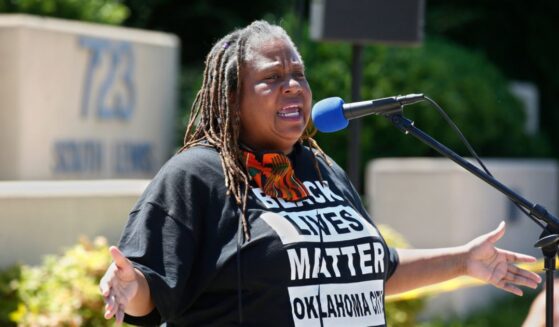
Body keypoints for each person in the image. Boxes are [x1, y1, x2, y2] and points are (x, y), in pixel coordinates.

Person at [99, 20, 541, 326]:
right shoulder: (197, 175)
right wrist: (128, 285)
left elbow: (373, 273)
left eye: (298, 75)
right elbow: (151, 292)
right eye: (272, 78)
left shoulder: (321, 168)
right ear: (233, 100)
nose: (292, 85)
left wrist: (463, 261)